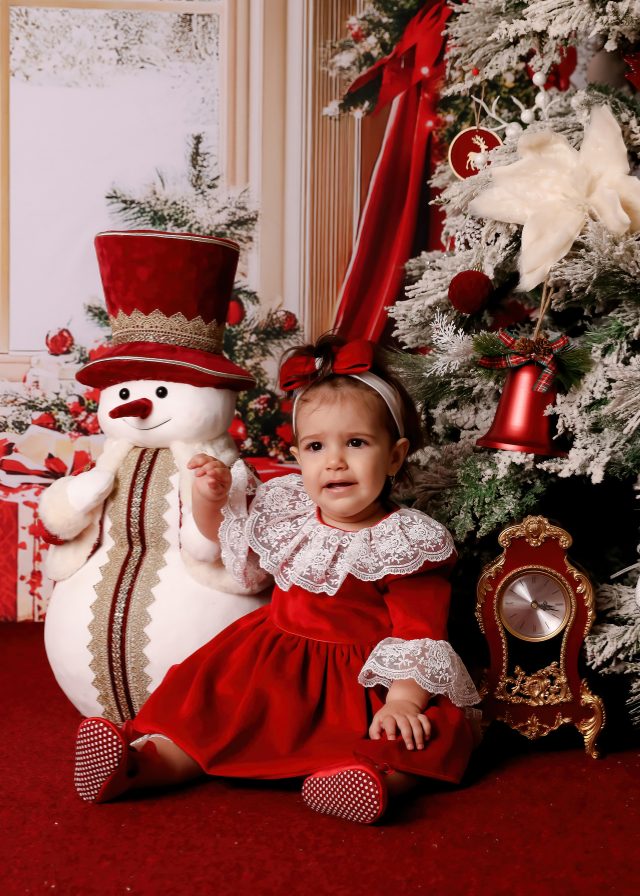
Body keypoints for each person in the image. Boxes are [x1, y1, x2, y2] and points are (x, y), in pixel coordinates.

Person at [74, 336, 480, 824]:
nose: (334, 460)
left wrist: (403, 702)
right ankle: (142, 763)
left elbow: (419, 633)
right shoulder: (287, 512)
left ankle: (372, 777)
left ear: (394, 457)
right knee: (209, 712)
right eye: (316, 446)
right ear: (298, 457)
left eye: (356, 443)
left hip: (361, 683)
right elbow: (231, 550)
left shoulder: (405, 543)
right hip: (272, 665)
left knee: (418, 732)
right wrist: (209, 498)